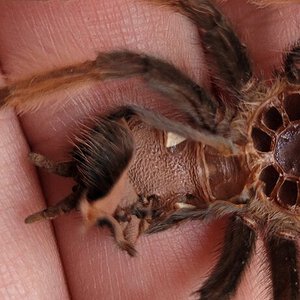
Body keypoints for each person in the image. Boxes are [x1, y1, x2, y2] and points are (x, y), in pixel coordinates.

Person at [0, 1, 299, 299]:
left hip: (146, 171)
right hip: (132, 155)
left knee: (170, 47)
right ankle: (11, 95)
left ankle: (10, 96)